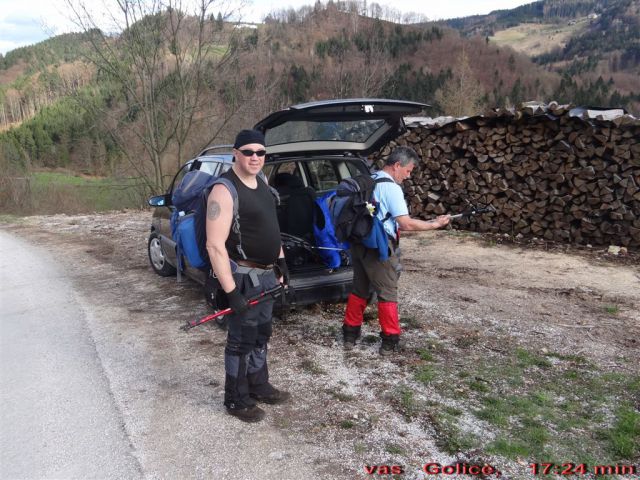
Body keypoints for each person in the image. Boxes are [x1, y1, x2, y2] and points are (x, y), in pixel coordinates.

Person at [205, 129, 290, 423]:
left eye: (261, 152)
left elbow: (271, 227)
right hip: (243, 277)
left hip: (267, 275)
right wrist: (231, 292)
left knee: (262, 333)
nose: (255, 157)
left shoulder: (263, 182)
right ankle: (236, 399)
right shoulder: (224, 190)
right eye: (249, 152)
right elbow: (214, 246)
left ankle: (258, 384)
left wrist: (281, 264)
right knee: (241, 339)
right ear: (235, 153)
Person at [341, 146, 451, 355]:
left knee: (359, 289)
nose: (408, 176)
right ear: (397, 165)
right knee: (387, 293)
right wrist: (434, 225)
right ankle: (390, 340)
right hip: (379, 247)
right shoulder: (391, 188)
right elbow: (405, 224)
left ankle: (349, 334)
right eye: (408, 171)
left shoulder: (370, 178)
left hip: (359, 243)